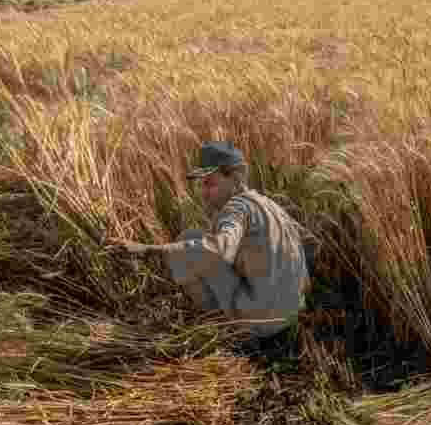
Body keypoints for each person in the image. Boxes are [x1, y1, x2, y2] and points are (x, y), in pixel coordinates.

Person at [116, 141, 311, 347]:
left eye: (210, 183)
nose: (204, 193)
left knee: (187, 243)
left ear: (235, 178)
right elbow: (310, 243)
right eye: (202, 185)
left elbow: (219, 250)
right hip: (291, 315)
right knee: (198, 238)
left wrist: (148, 249)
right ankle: (270, 324)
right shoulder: (270, 205)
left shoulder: (236, 208)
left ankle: (226, 329)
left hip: (262, 322)